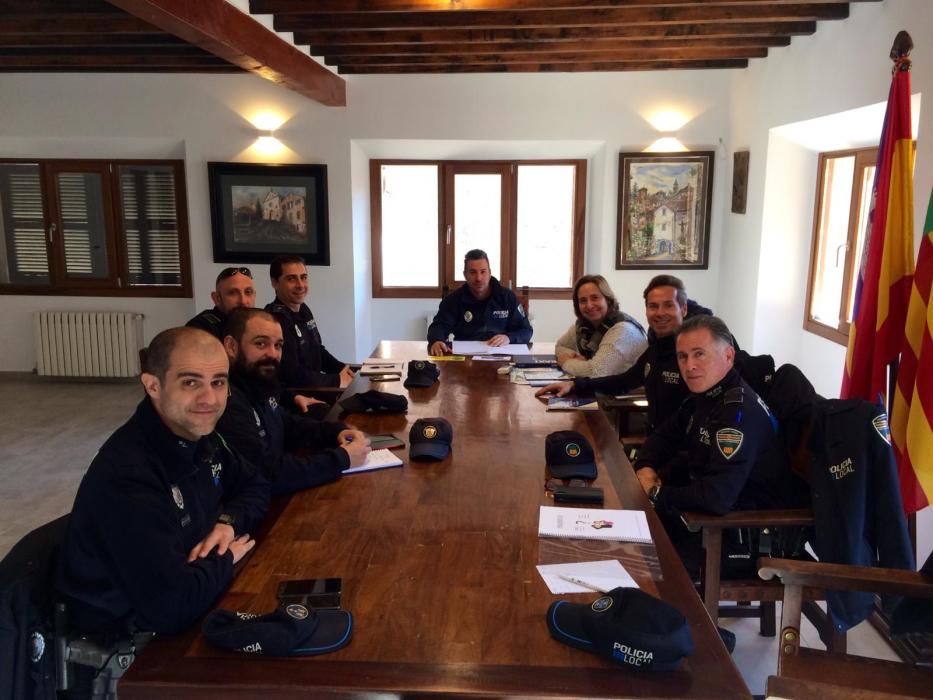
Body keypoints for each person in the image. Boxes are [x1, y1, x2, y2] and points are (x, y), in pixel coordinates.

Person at [57, 327, 270, 637]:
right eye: (191, 382)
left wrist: (228, 523)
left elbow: (256, 484)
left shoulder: (198, 436)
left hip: (192, 593)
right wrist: (224, 559)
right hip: (130, 641)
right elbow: (171, 606)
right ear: (153, 386)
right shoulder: (129, 474)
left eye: (219, 382)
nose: (209, 398)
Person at [631, 316, 791, 570]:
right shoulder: (706, 396)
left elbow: (716, 498)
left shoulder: (737, 413)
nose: (689, 365)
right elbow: (664, 437)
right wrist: (646, 467)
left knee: (635, 560)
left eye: (699, 354)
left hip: (743, 537)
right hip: (706, 520)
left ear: (728, 356)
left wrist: (656, 493)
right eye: (682, 356)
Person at [218, 308, 371, 496]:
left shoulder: (258, 383)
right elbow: (266, 474)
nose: (273, 354)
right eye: (260, 344)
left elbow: (287, 424)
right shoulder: (224, 400)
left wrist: (336, 431)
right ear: (231, 346)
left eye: (278, 345)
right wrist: (342, 458)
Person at [537, 275, 711, 433]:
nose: (659, 313)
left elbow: (696, 420)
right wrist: (574, 386)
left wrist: (568, 363)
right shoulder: (657, 348)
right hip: (659, 441)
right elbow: (624, 381)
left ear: (684, 309)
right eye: (653, 306)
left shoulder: (698, 353)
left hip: (686, 452)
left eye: (668, 305)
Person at [265, 255, 354, 388]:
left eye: (303, 277)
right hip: (298, 396)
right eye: (291, 279)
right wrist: (337, 381)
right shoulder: (274, 319)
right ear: (274, 283)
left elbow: (317, 350)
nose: (300, 285)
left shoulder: (303, 309)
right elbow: (292, 374)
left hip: (316, 387)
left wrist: (345, 371)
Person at [427, 249, 532, 356]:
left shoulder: (507, 297)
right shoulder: (453, 300)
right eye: (473, 272)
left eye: (483, 271)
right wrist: (437, 340)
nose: (478, 278)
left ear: (490, 273)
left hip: (501, 357)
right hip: (465, 360)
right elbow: (438, 326)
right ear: (465, 275)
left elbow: (526, 330)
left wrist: (509, 338)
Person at [553, 274, 647, 378]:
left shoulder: (623, 330)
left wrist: (567, 362)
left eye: (595, 298)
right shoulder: (583, 326)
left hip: (631, 392)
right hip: (605, 389)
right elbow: (560, 346)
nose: (589, 305)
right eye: (583, 300)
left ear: (608, 299)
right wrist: (579, 359)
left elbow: (595, 372)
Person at [186, 266, 256, 340]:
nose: (243, 301)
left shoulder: (259, 323)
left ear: (255, 295)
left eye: (248, 292)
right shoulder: (200, 328)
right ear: (217, 298)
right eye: (233, 293)